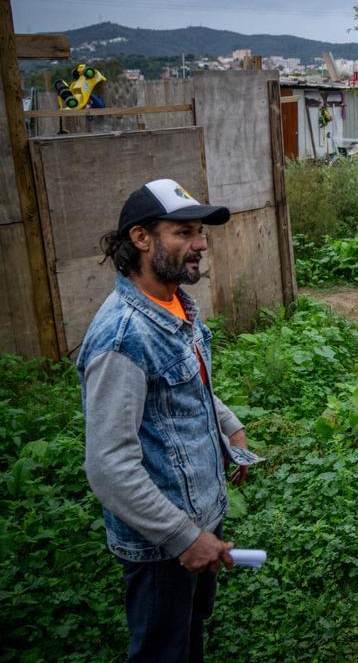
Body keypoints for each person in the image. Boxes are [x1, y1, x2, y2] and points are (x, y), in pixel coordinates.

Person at [79, 178, 259, 662]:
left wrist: (227, 424)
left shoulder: (177, 303)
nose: (200, 244)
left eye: (199, 233)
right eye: (184, 232)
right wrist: (185, 537)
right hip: (164, 546)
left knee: (188, 638)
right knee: (164, 651)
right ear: (141, 238)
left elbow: (188, 387)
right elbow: (108, 465)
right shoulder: (122, 336)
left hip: (198, 521)